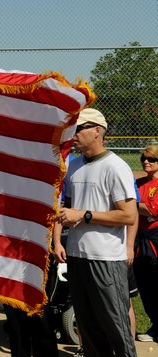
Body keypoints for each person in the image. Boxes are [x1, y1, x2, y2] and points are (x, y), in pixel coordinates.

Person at [55, 108, 137, 356]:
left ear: (97, 131)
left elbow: (128, 215)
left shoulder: (115, 166)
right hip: (77, 256)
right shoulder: (73, 165)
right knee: (88, 330)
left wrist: (85, 215)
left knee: (117, 329)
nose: (74, 135)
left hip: (106, 259)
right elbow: (68, 207)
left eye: (79, 129)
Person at [134, 143, 158, 341]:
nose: (146, 162)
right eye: (143, 158)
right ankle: (156, 325)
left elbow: (152, 211)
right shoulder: (139, 182)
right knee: (144, 285)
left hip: (155, 238)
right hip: (139, 237)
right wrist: (140, 207)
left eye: (151, 159)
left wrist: (133, 204)